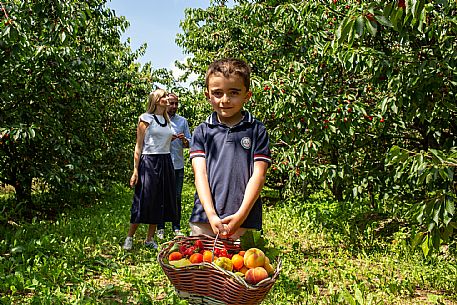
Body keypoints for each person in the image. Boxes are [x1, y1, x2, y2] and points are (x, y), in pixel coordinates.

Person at [189, 58, 271, 240]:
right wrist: (210, 214)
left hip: (244, 220)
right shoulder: (202, 131)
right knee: (202, 266)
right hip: (205, 220)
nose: (225, 100)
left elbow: (259, 174)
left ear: (246, 95)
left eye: (233, 92)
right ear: (207, 95)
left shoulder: (256, 130)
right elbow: (200, 174)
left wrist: (241, 215)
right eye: (217, 93)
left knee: (243, 266)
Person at [122, 89, 177, 250]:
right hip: (149, 161)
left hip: (165, 161)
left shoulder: (167, 120)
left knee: (159, 201)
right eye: (164, 96)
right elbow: (139, 146)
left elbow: (164, 141)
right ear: (156, 100)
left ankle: (149, 238)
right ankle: (129, 237)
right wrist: (135, 170)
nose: (167, 98)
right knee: (143, 199)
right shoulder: (145, 118)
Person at [156, 93, 192, 239]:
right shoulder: (158, 120)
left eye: (176, 103)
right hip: (162, 165)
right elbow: (152, 144)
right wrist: (167, 139)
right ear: (165, 103)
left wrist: (184, 141)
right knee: (162, 197)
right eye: (171, 103)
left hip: (178, 165)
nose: (174, 106)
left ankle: (176, 227)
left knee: (176, 197)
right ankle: (160, 227)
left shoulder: (182, 121)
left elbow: (189, 143)